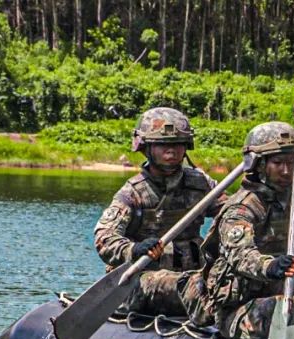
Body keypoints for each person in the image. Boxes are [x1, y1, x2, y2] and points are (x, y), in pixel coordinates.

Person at [191, 99, 294, 339]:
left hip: (287, 297)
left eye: (292, 162)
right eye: (278, 163)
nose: (287, 171)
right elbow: (241, 256)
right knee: (281, 310)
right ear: (259, 165)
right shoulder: (242, 206)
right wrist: (270, 266)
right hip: (240, 310)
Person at [93, 107, 222, 316]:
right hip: (143, 280)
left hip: (193, 273)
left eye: (177, 144)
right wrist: (133, 250)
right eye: (163, 145)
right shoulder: (133, 192)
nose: (171, 152)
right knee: (194, 286)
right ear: (146, 147)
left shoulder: (201, 184)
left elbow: (234, 212)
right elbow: (104, 238)